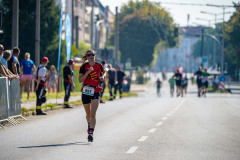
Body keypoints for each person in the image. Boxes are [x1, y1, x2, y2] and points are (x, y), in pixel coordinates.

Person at [78, 49, 104, 142]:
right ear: (87, 57)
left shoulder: (99, 65)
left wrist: (102, 78)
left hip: (96, 90)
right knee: (88, 114)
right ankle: (89, 125)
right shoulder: (84, 66)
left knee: (93, 113)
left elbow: (103, 74)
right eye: (89, 55)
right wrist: (88, 72)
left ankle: (91, 133)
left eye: (92, 54)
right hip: (86, 90)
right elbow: (80, 80)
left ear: (94, 56)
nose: (91, 56)